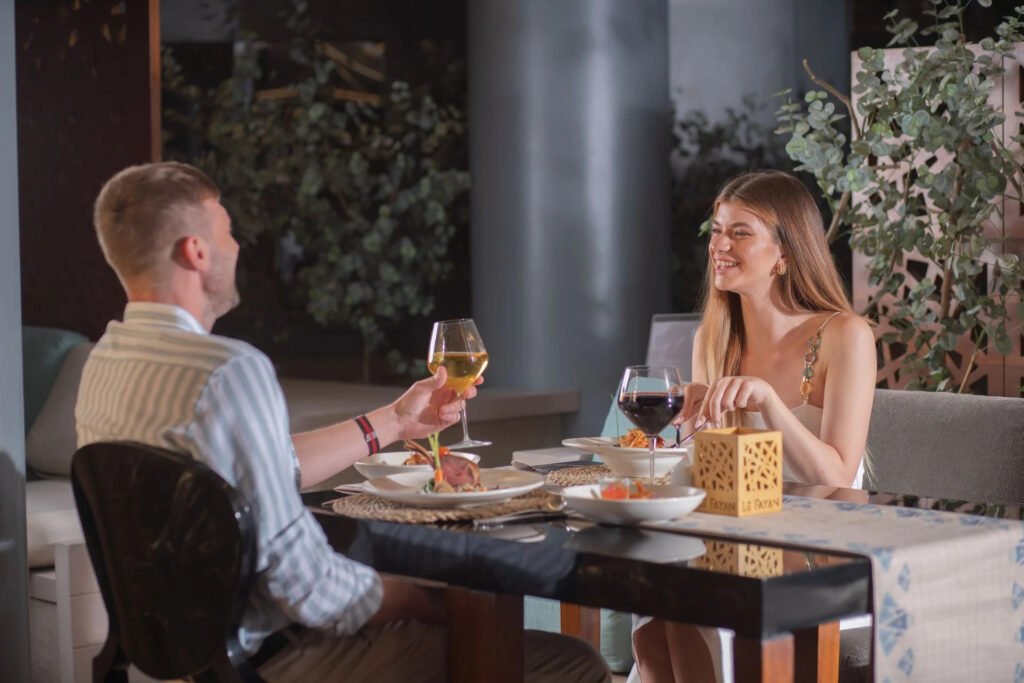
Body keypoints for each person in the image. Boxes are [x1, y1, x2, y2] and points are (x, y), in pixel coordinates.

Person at [77, 162, 610, 683]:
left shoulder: (104, 364)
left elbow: (256, 471)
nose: (236, 246)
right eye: (227, 231)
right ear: (196, 251)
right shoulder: (229, 370)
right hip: (272, 661)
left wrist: (396, 421)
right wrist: (430, 601)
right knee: (573, 663)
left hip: (181, 656)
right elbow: (305, 586)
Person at [631, 170, 876, 683]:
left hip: (821, 559)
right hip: (735, 546)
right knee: (656, 618)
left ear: (785, 253)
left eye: (740, 232)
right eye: (717, 230)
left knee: (686, 609)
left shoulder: (845, 336)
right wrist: (688, 432)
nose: (720, 245)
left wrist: (767, 402)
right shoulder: (712, 339)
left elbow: (837, 472)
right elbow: (712, 473)